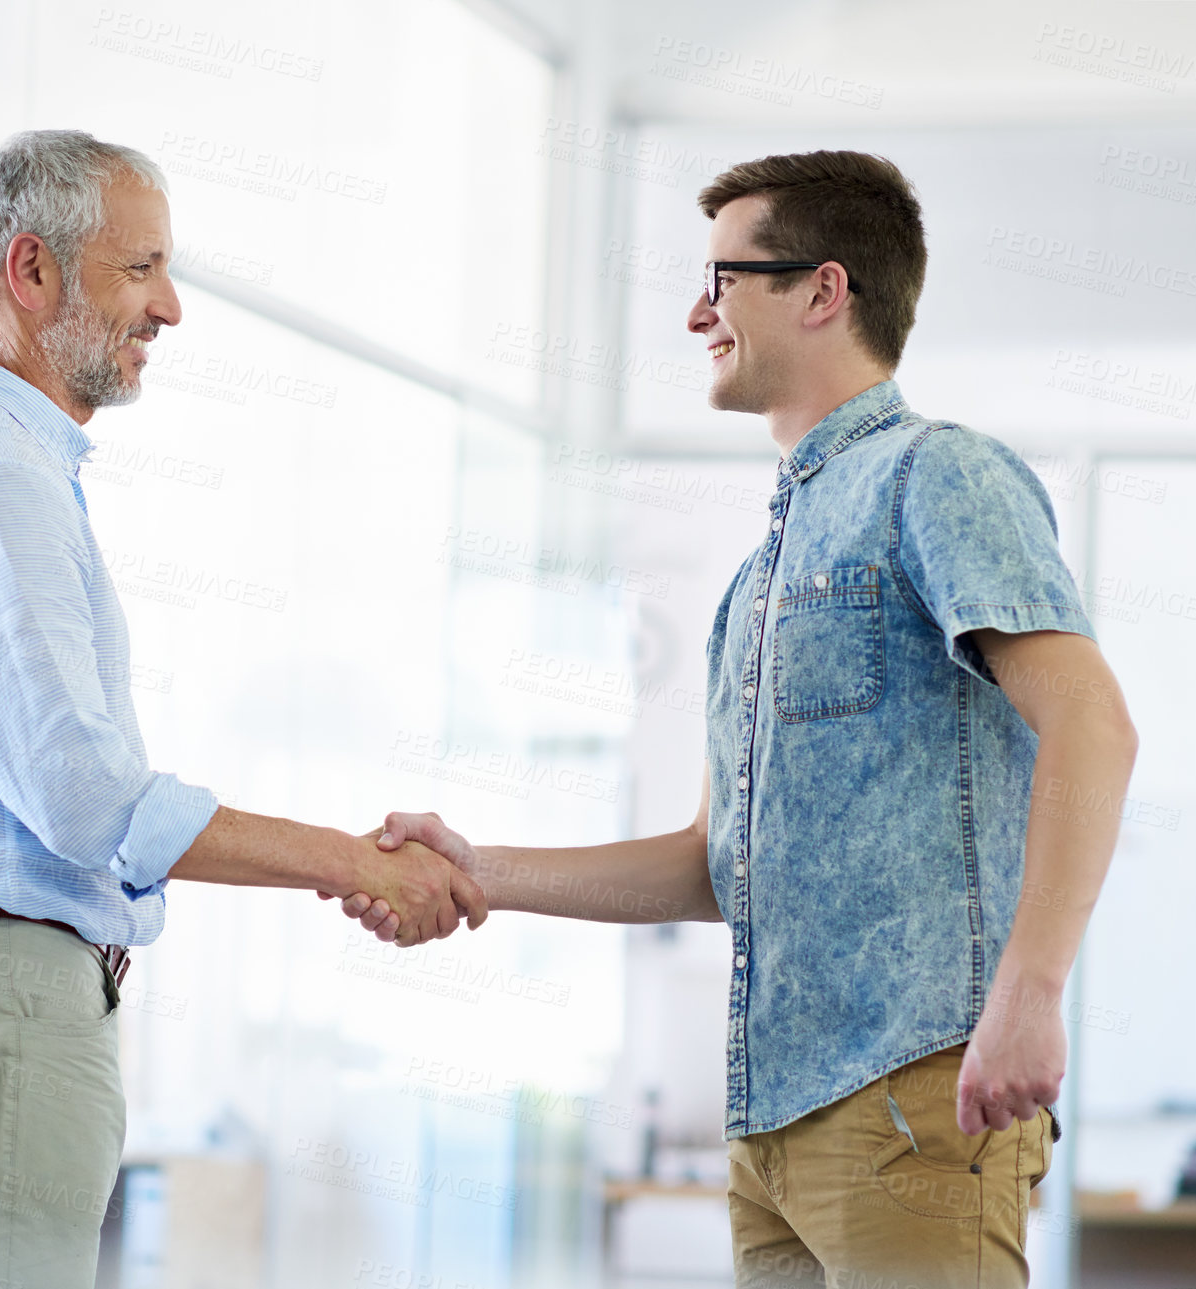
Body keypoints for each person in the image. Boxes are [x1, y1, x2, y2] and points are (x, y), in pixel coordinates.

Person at [341, 150, 1138, 1287]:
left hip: (912, 1096)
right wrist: (481, 869)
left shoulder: (940, 475)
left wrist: (1030, 991)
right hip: (768, 1132)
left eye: (721, 281)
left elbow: (1093, 726)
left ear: (823, 290)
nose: (694, 312)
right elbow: (713, 866)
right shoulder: (755, 580)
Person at [0, 129, 485, 1289]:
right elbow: (89, 799)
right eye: (140, 270)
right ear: (32, 273)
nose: (171, 306)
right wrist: (356, 861)